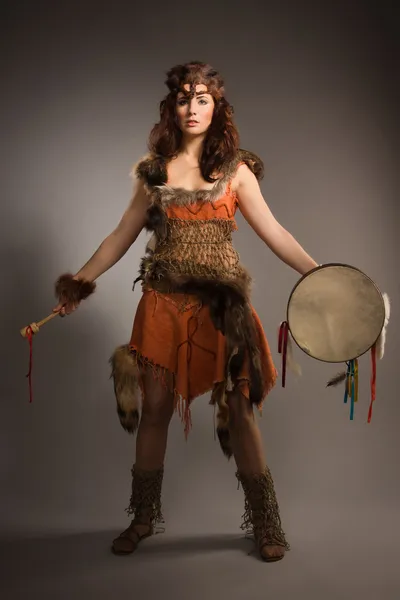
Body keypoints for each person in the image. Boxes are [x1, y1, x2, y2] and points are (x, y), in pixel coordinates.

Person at [53, 61, 318, 562]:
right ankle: (143, 517)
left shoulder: (236, 171)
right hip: (163, 303)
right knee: (153, 410)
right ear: (171, 108)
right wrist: (79, 283)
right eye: (183, 99)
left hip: (222, 309)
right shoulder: (154, 172)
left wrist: (318, 274)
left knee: (239, 411)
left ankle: (266, 523)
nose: (192, 108)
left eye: (202, 99)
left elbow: (276, 233)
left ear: (216, 108)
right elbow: (119, 236)